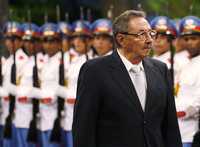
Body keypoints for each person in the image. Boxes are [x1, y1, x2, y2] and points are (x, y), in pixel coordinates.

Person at [72, 10, 182, 147]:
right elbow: (84, 128)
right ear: (121, 39)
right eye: (142, 34)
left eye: (151, 33)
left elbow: (170, 126)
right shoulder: (95, 71)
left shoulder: (160, 69)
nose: (149, 40)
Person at [175, 16, 200, 147]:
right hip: (176, 131)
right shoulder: (181, 61)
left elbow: (197, 103)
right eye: (186, 38)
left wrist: (177, 113)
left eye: (194, 38)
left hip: (192, 132)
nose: (189, 42)